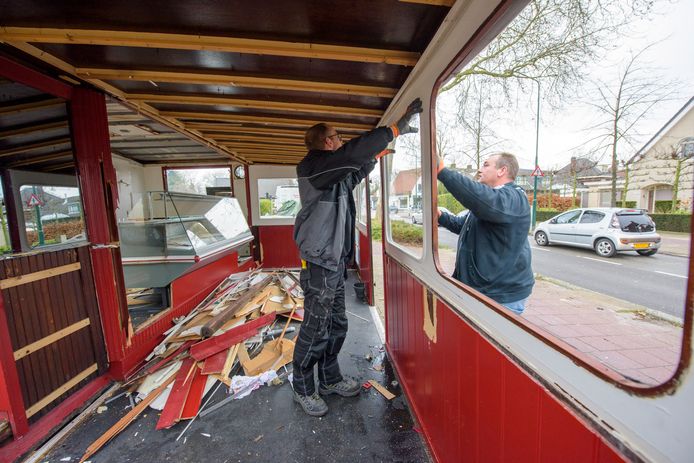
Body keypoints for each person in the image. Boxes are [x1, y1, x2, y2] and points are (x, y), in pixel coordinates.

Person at [292, 98, 423, 417]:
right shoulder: (314, 167)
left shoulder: (332, 175)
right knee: (315, 326)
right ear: (327, 142)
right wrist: (393, 129)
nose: (339, 140)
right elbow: (349, 156)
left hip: (334, 262)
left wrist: (375, 156)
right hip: (320, 262)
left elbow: (353, 169)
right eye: (336, 136)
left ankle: (328, 379)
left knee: (337, 323)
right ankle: (303, 386)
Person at [436, 152, 534, 315]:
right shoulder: (495, 200)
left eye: (486, 165)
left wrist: (443, 172)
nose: (480, 170)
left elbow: (481, 197)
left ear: (502, 170)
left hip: (500, 296)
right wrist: (442, 216)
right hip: (484, 290)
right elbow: (464, 226)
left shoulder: (514, 197)